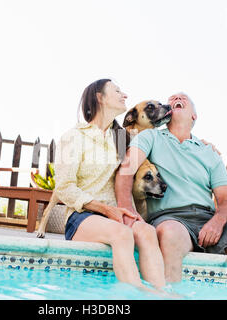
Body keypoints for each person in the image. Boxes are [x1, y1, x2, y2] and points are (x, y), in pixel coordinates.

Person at [115, 92, 227, 292]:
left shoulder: (209, 153)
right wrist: (127, 212)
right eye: (172, 99)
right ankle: (168, 296)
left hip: (209, 219)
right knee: (170, 234)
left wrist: (217, 222)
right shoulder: (151, 137)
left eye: (183, 99)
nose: (176, 99)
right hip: (171, 219)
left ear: (194, 116)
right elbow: (127, 169)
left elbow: (226, 200)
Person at [54, 79, 166, 291]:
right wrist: (106, 209)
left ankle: (161, 293)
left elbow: (151, 153)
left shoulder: (122, 139)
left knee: (148, 232)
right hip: (82, 216)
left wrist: (202, 144)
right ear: (100, 98)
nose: (124, 95)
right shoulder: (74, 137)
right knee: (122, 234)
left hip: (116, 214)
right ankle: (140, 294)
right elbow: (64, 187)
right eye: (117, 91)